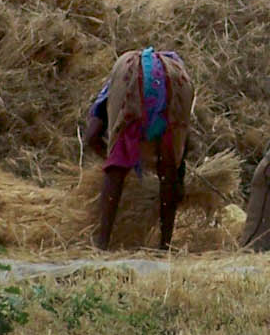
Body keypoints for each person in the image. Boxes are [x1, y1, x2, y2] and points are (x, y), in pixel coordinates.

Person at [79, 47, 194, 250]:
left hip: (131, 80)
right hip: (176, 82)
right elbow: (184, 154)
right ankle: (164, 247)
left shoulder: (110, 90)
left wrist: (113, 161)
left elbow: (91, 138)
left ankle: (101, 244)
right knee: (169, 170)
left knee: (116, 167)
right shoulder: (177, 78)